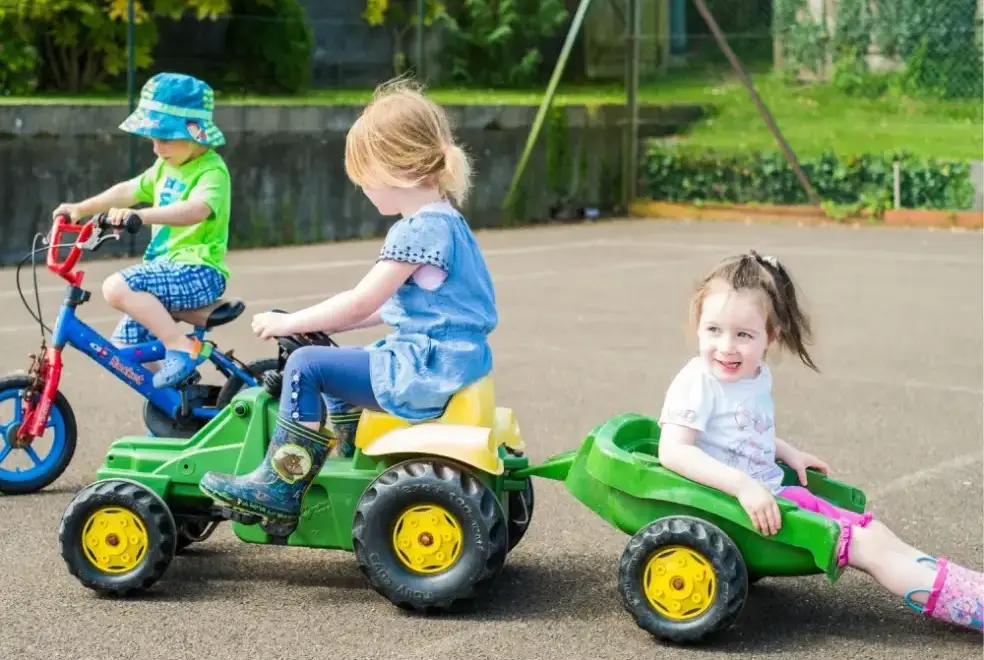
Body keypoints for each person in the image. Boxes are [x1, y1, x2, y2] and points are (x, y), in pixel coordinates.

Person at [199, 76, 497, 530]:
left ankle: (281, 483)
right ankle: (349, 449)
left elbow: (360, 302)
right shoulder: (449, 223)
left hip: (427, 366)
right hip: (453, 358)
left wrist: (288, 323)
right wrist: (321, 326)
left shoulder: (416, 231)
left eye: (364, 177)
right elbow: (388, 309)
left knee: (307, 366)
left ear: (393, 169)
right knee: (339, 365)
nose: (362, 188)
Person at [656, 250, 982, 632]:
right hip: (738, 507)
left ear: (770, 336)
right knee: (868, 549)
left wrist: (785, 451)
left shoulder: (753, 375)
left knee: (875, 533)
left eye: (743, 334)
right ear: (698, 326)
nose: (727, 346)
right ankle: (969, 605)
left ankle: (968, 588)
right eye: (714, 330)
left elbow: (740, 431)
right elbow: (673, 451)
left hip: (773, 497)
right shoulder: (698, 382)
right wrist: (743, 486)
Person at [51, 72, 232, 389]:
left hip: (198, 270)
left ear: (196, 133)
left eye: (165, 138)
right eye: (153, 139)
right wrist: (81, 208)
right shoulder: (165, 166)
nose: (157, 148)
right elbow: (128, 190)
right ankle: (178, 402)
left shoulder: (211, 171)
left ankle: (180, 346)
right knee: (123, 350)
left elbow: (196, 210)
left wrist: (141, 216)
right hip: (167, 269)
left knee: (116, 287)